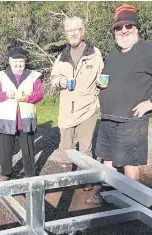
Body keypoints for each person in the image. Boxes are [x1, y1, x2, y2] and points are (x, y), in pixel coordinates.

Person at [96, 5, 152, 182]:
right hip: (108, 118)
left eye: (128, 26)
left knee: (129, 163)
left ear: (136, 28)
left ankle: (134, 204)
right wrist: (101, 83)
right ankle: (109, 196)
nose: (123, 30)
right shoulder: (114, 52)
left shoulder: (147, 51)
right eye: (119, 27)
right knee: (107, 159)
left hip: (131, 121)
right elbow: (114, 78)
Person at [50, 16, 104, 191]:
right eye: (69, 31)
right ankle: (66, 178)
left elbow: (102, 77)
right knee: (65, 145)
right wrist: (60, 82)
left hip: (88, 107)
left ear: (83, 31)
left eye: (76, 29)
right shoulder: (61, 56)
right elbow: (53, 80)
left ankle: (86, 177)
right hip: (67, 109)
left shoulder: (94, 53)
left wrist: (101, 84)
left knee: (85, 146)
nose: (73, 33)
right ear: (66, 34)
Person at [0, 47, 44, 181]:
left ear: (25, 61)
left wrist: (28, 98)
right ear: (9, 61)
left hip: (26, 118)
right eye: (15, 61)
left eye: (21, 61)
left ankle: (30, 174)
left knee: (28, 149)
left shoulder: (33, 76)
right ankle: (6, 173)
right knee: (6, 150)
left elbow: (40, 94)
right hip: (7, 117)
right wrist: (5, 94)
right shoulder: (1, 76)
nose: (18, 64)